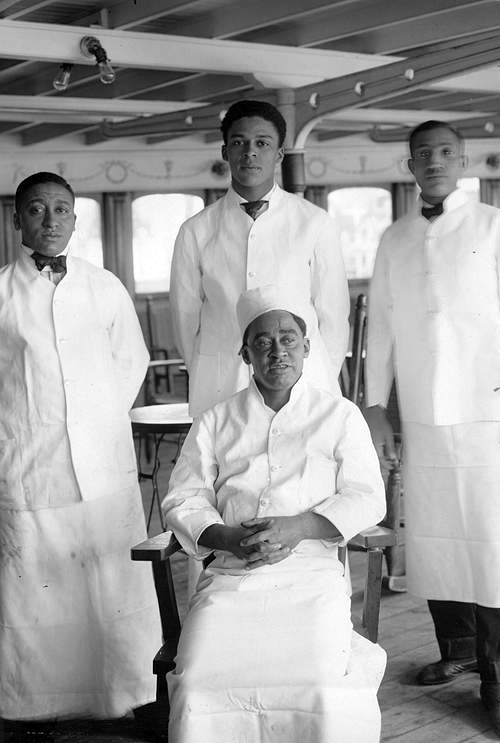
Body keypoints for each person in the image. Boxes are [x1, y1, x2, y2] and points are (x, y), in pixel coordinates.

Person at [364, 121, 500, 741]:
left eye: (445, 152)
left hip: (492, 411)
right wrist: (375, 406)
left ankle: (499, 679)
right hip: (420, 410)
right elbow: (380, 329)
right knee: (439, 538)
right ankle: (460, 646)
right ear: (410, 164)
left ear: (462, 160)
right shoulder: (394, 238)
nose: (434, 161)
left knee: (496, 543)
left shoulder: (498, 227)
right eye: (423, 154)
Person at [162, 285, 387, 743]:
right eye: (262, 341)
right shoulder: (215, 421)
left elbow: (368, 497)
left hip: (311, 574)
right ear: (246, 354)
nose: (276, 350)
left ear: (307, 348)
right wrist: (225, 538)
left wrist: (300, 527)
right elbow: (182, 498)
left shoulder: (339, 416)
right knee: (200, 678)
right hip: (231, 572)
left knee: (321, 685)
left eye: (288, 338)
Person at [0, 172, 161, 726]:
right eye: (37, 210)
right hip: (29, 462)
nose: (50, 220)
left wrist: (93, 419)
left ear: (75, 218)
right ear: (17, 219)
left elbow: (131, 360)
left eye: (61, 209)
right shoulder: (0, 291)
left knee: (111, 580)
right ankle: (37, 707)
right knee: (39, 591)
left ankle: (127, 688)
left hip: (102, 461)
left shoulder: (104, 285)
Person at [169, 98, 349, 419]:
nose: (250, 152)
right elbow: (185, 322)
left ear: (279, 154)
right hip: (222, 383)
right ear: (225, 153)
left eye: (262, 143)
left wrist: (318, 372)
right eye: (238, 142)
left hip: (303, 382)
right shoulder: (195, 230)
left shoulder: (314, 222)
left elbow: (333, 317)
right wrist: (207, 370)